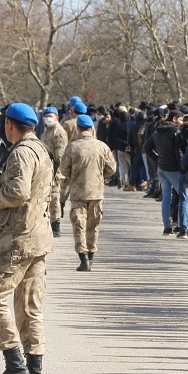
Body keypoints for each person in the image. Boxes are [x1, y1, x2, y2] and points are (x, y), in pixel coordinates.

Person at [0, 103, 54, 374]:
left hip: (18, 239)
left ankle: (15, 368)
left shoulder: (21, 152)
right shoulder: (40, 150)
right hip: (38, 238)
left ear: (9, 124)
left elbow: (18, 193)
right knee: (29, 307)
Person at [59, 114, 116, 272]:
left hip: (78, 192)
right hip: (96, 192)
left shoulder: (72, 147)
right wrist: (98, 174)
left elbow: (64, 169)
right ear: (92, 128)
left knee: (79, 225)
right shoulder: (102, 147)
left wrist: (75, 176)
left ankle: (83, 258)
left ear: (78, 128)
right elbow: (112, 169)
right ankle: (91, 255)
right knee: (93, 225)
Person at [38, 107, 69, 238]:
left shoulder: (58, 132)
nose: (48, 118)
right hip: (45, 170)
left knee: (54, 198)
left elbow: (60, 155)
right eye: (46, 116)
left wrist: (56, 172)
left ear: (56, 117)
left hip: (54, 172)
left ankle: (55, 226)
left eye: (51, 116)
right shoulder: (46, 132)